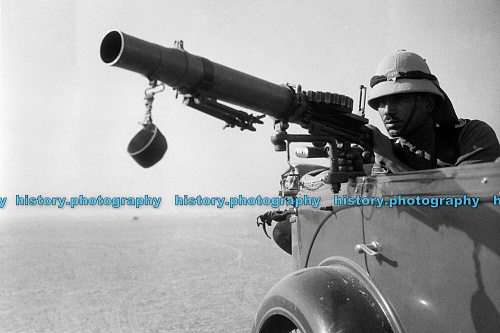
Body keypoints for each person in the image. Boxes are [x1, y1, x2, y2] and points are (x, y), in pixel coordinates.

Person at [350, 49, 500, 174]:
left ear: (428, 103)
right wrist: (354, 172)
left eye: (400, 99)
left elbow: (461, 203)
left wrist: (390, 162)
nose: (387, 111)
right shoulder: (385, 150)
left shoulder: (472, 136)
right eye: (381, 102)